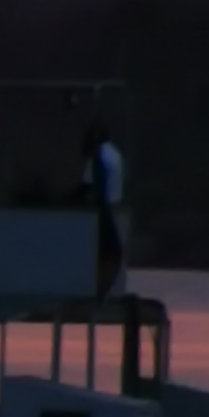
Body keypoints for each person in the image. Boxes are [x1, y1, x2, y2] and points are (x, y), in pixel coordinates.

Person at [84, 124, 128, 295]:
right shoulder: (114, 154)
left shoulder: (99, 156)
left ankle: (100, 288)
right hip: (113, 205)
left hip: (103, 209)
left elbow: (89, 186)